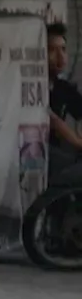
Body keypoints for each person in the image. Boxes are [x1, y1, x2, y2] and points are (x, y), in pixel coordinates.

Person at [46, 23, 82, 184]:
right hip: (37, 155)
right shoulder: (33, 86)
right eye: (52, 50)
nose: (61, 56)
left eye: (63, 49)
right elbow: (53, 120)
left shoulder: (63, 87)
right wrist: (79, 143)